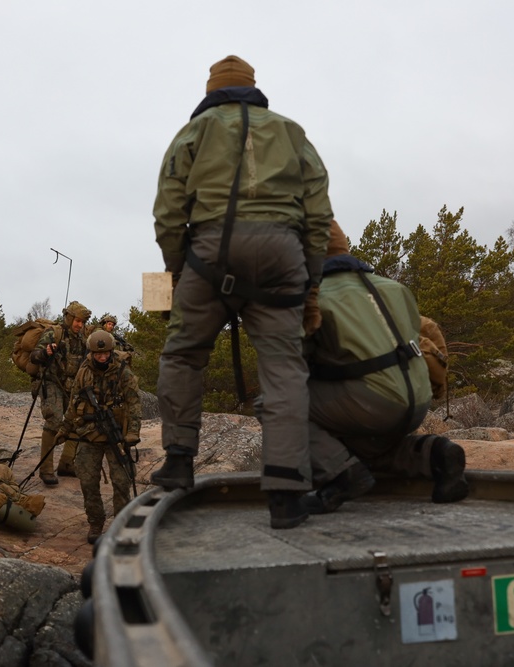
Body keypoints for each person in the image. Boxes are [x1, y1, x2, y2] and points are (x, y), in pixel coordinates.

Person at [150, 55, 333, 529]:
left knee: (184, 354)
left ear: (212, 90)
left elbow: (169, 209)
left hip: (211, 250)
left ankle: (178, 460)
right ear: (253, 88)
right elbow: (318, 212)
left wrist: (179, 270)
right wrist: (310, 281)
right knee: (284, 369)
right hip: (282, 252)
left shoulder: (193, 132)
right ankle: (288, 494)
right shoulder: (292, 132)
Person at [298, 221, 468, 513]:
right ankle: (434, 454)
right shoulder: (392, 288)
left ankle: (341, 477)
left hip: (372, 403)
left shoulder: (314, 298)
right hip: (416, 399)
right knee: (360, 448)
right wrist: (439, 388)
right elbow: (430, 328)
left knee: (274, 401)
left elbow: (290, 362)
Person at [57, 330, 142, 544]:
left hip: (117, 436)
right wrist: (65, 429)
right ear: (92, 353)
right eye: (98, 354)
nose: (102, 358)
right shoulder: (83, 372)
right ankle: (95, 523)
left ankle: (122, 525)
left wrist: (133, 432)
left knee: (122, 482)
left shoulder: (123, 372)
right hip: (90, 434)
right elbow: (74, 401)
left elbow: (134, 403)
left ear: (111, 351)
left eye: (105, 353)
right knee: (87, 480)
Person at [29, 301, 91, 485]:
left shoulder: (82, 340)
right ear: (69, 318)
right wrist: (46, 352)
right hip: (51, 382)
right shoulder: (54, 333)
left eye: (82, 322)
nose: (79, 325)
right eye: (77, 321)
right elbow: (34, 356)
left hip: (72, 387)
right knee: (55, 420)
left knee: (78, 420)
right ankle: (46, 470)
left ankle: (66, 463)